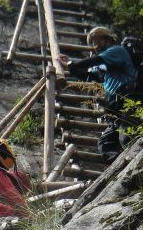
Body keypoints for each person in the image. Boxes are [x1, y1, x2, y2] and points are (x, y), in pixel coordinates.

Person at [58, 26, 138, 164]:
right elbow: (90, 76)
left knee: (125, 136)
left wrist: (73, 64)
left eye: (97, 41)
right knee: (106, 142)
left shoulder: (116, 51)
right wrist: (70, 68)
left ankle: (135, 163)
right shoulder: (107, 63)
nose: (95, 46)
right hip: (115, 104)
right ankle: (121, 166)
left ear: (108, 39)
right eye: (93, 43)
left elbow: (95, 61)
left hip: (127, 98)